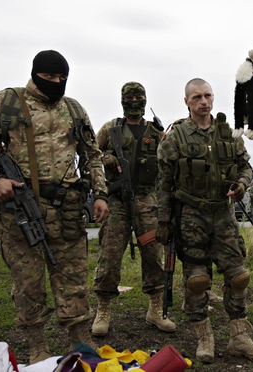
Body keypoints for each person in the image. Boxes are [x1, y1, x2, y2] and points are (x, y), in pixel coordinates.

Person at [0, 50, 110, 364]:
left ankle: (79, 342)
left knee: (74, 280)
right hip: (19, 211)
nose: (56, 83)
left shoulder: (74, 109)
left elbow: (93, 154)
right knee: (28, 283)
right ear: (35, 73)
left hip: (66, 211)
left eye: (62, 78)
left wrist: (101, 193)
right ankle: (37, 345)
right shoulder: (6, 102)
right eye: (50, 77)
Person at [156, 78, 253, 364]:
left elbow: (245, 166)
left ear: (213, 98)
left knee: (239, 276)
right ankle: (204, 337)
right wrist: (164, 221)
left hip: (223, 215)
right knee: (197, 280)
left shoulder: (228, 134)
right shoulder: (176, 137)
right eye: (196, 97)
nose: (203, 101)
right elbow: (164, 182)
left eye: (207, 95)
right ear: (187, 102)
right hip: (191, 216)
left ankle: (239, 337)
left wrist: (242, 184)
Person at [91, 81, 176, 336]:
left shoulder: (157, 131)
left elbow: (167, 166)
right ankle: (103, 310)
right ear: (122, 101)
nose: (135, 102)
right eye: (130, 98)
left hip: (147, 201)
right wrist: (107, 158)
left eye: (139, 97)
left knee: (153, 256)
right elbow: (91, 155)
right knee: (110, 255)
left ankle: (154, 310)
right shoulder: (110, 129)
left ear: (145, 100)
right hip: (116, 201)